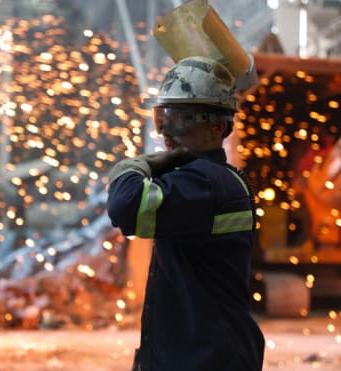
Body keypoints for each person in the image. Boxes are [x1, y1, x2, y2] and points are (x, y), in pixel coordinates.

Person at [106, 55, 265, 371]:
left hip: (205, 359)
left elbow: (125, 206)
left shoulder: (205, 182)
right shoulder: (206, 180)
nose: (166, 132)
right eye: (163, 118)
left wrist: (139, 164)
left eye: (181, 120)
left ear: (217, 126)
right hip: (197, 355)